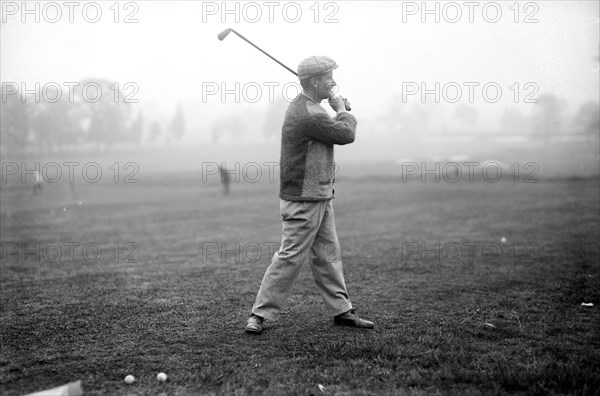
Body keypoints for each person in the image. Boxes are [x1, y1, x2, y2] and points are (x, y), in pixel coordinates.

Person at [245, 55, 374, 334]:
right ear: (314, 81)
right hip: (304, 198)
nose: (333, 82)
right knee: (290, 256)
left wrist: (337, 110)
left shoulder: (310, 106)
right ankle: (259, 315)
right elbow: (344, 134)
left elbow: (332, 127)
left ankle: (342, 311)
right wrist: (343, 111)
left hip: (319, 194)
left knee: (328, 254)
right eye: (328, 77)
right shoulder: (308, 113)